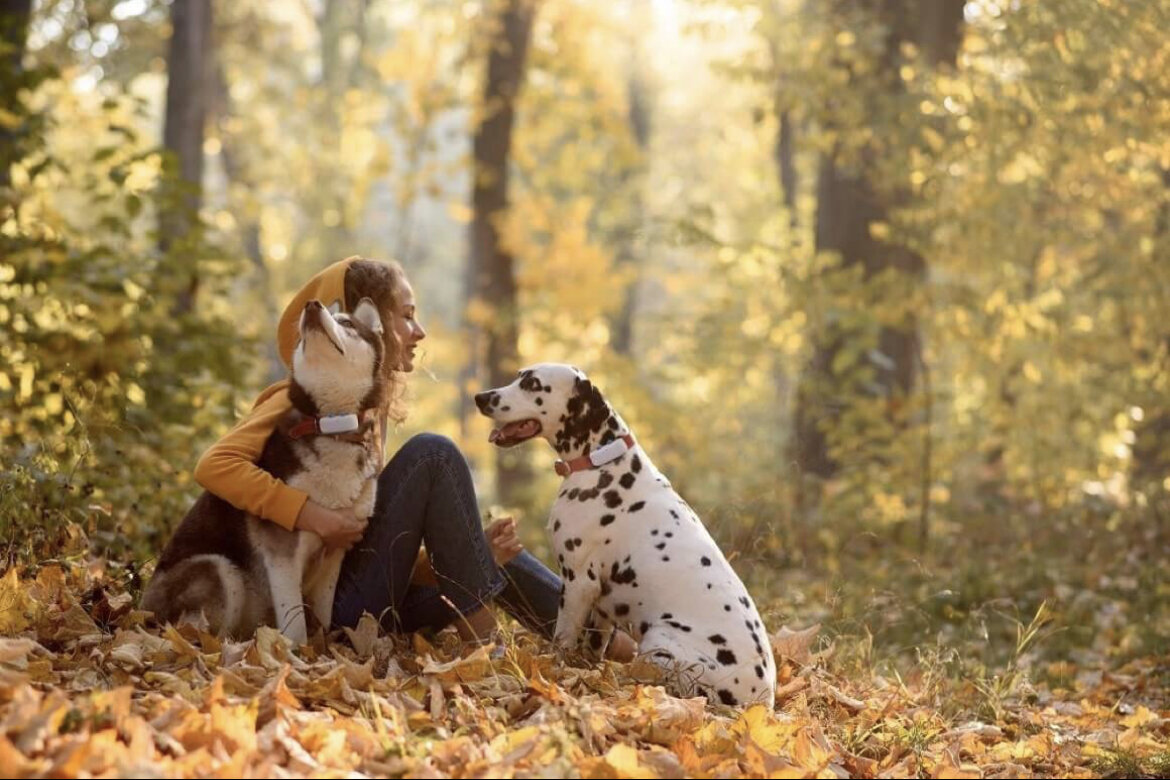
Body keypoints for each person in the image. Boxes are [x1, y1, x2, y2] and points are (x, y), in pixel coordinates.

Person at [191, 255, 637, 659]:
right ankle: (490, 649)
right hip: (326, 612)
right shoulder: (300, 403)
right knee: (433, 455)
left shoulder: (365, 420)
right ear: (370, 322)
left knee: (490, 546)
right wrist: (309, 515)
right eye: (406, 316)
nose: (419, 332)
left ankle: (618, 647)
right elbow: (215, 464)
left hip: (359, 601)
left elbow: (373, 551)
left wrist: (473, 555)